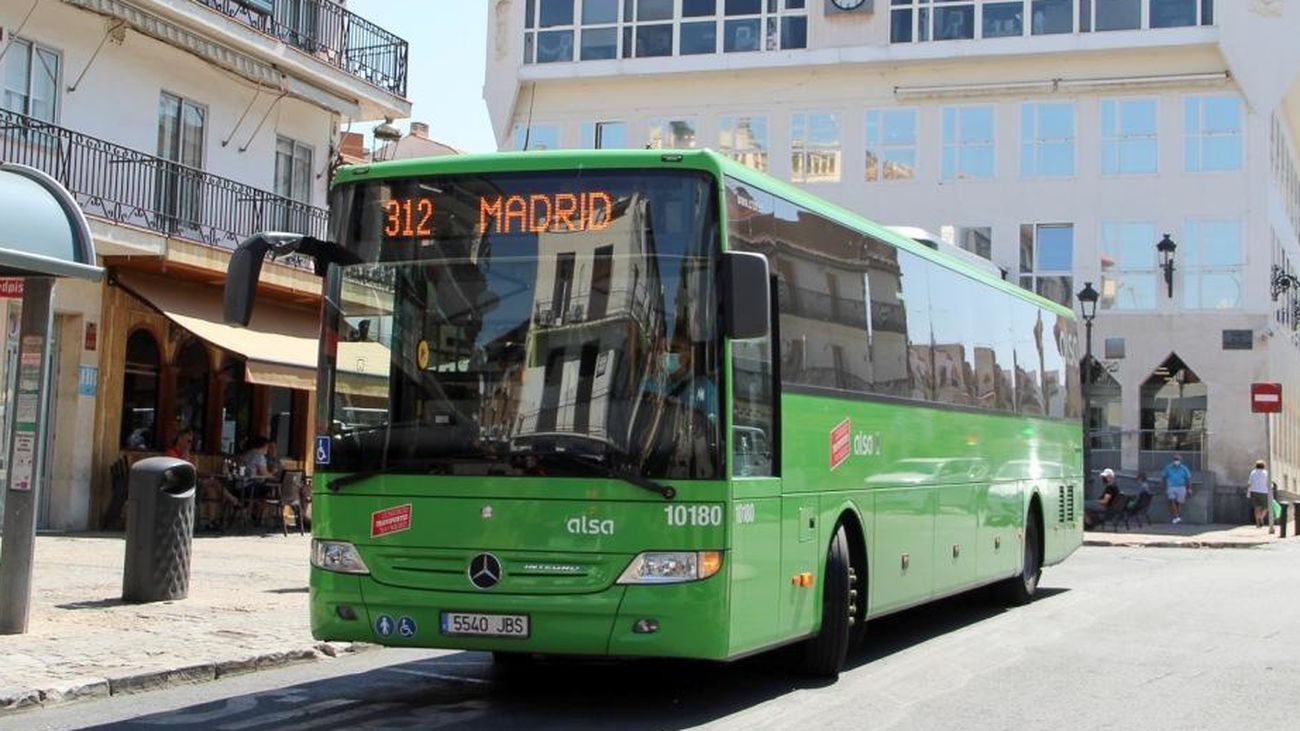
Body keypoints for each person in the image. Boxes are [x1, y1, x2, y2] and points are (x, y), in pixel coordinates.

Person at [1162, 453, 1193, 524]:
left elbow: (1188, 478)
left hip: (1181, 487)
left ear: (1180, 460)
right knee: (1172, 501)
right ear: (1173, 460)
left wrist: (1189, 488)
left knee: (1179, 503)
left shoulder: (1184, 468)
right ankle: (1176, 516)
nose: (1176, 461)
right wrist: (1164, 487)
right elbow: (1164, 477)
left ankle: (1177, 517)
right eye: (1175, 459)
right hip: (1171, 487)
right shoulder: (1168, 467)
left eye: (1178, 459)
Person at [1246, 460, 1271, 531]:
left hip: (1254, 491)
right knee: (1266, 507)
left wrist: (1248, 492)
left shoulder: (1253, 472)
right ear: (1263, 466)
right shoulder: (1265, 473)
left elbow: (1249, 483)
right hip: (1263, 492)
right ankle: (1261, 517)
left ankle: (1257, 524)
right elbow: (1269, 483)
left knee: (1257, 508)